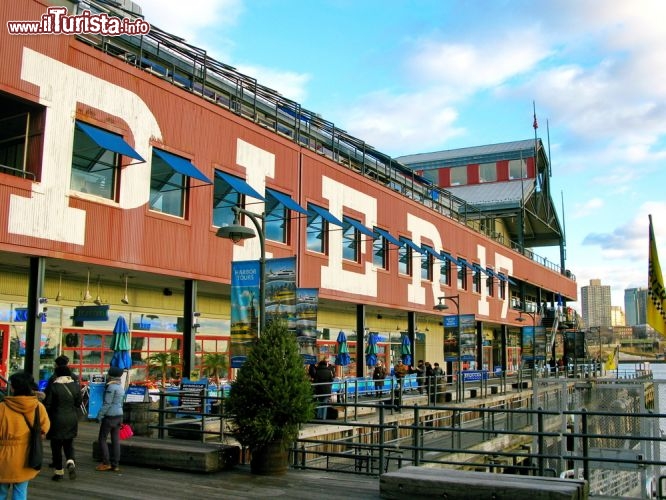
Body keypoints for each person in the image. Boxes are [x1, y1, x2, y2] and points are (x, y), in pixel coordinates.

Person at [0, 370, 51, 500]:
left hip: (3, 456)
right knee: (20, 491)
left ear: (13, 388)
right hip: (27, 456)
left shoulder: (2, 407)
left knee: (1, 492)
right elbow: (44, 429)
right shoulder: (38, 407)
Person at [44, 364, 82, 481]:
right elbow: (78, 403)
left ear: (57, 374)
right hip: (71, 418)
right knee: (68, 443)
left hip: (56, 419)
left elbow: (48, 405)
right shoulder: (75, 386)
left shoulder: (54, 387)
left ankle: (59, 472)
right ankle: (70, 462)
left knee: (56, 446)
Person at [96, 367, 124, 472]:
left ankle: (106, 463)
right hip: (119, 416)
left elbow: (107, 403)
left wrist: (99, 415)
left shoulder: (111, 387)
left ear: (111, 375)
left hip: (110, 416)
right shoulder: (120, 387)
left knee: (102, 439)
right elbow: (121, 403)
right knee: (115, 440)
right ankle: (115, 464)